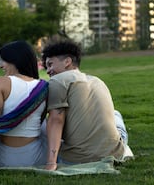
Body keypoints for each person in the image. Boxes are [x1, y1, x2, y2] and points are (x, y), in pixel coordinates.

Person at [41, 40, 132, 171]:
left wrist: (51, 163)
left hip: (75, 160)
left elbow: (56, 120)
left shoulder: (57, 81)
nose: (48, 71)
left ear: (67, 62)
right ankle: (123, 149)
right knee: (116, 114)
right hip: (116, 153)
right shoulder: (97, 80)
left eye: (50, 64)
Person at [0, 41, 49, 173]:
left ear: (15, 61)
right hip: (37, 159)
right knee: (47, 123)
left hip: (4, 160)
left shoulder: (1, 82)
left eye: (4, 61)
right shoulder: (43, 87)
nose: (1, 65)